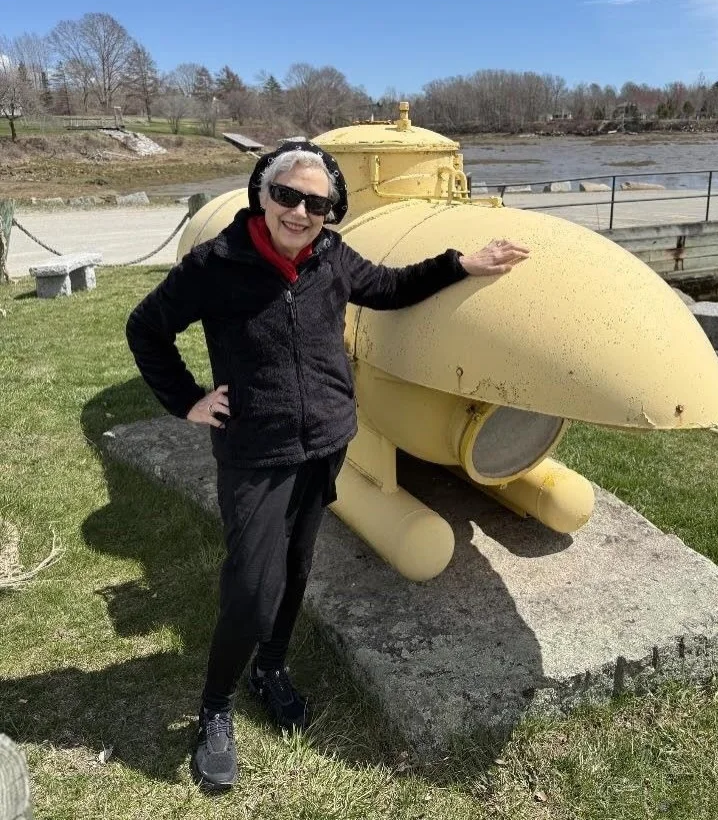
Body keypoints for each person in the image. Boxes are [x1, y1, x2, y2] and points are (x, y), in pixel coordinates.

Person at [125, 139, 529, 791]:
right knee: (252, 588)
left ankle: (272, 669)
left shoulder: (331, 258)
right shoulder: (215, 264)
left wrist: (465, 263)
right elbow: (146, 328)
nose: (300, 211)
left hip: (325, 444)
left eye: (318, 203)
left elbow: (392, 288)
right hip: (255, 453)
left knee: (296, 567)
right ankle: (216, 706)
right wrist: (187, 402)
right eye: (288, 195)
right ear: (263, 194)